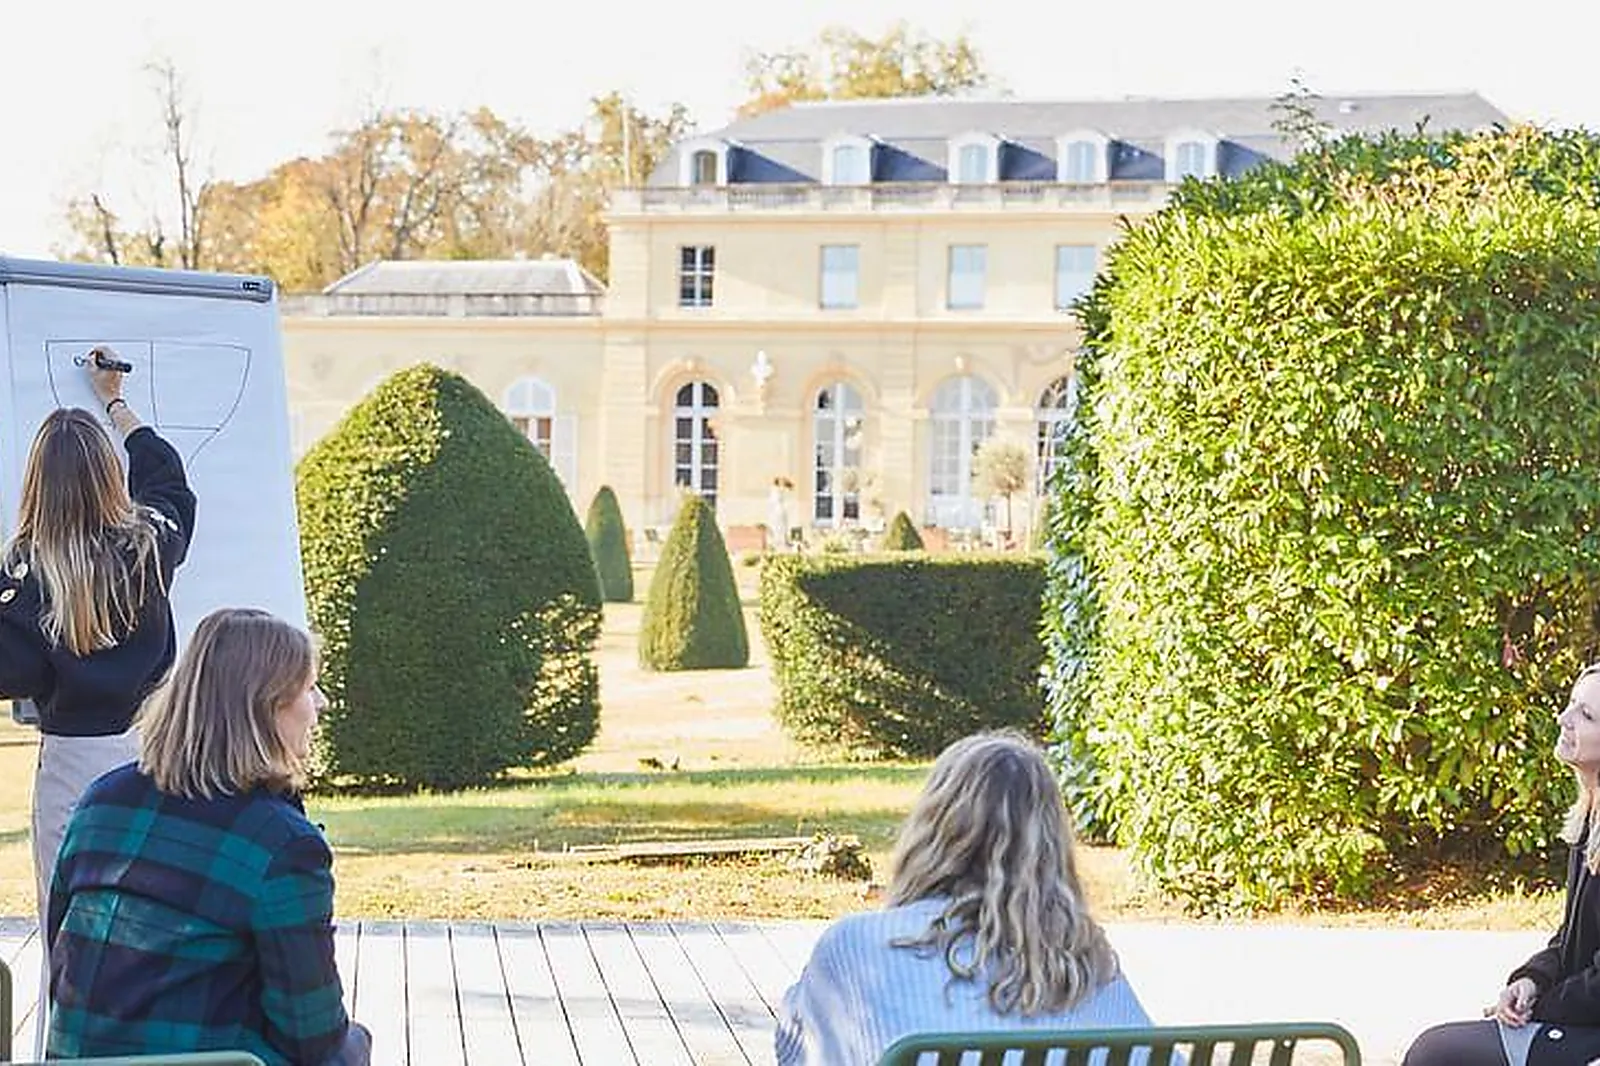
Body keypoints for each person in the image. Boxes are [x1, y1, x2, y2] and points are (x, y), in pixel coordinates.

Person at [46, 607, 371, 1065]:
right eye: (309, 687)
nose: (321, 705)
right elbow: (312, 1038)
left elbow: (60, 954)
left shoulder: (103, 799)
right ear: (268, 706)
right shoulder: (281, 843)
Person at [774, 730, 1155, 1065]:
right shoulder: (1085, 960)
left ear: (930, 831)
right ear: (1051, 844)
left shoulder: (855, 945)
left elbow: (798, 1052)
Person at [0, 349, 197, 923]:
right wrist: (115, 403)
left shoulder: (23, 573)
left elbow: (14, 674)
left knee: (74, 929)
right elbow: (167, 478)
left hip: (72, 769)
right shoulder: (149, 543)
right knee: (155, 926)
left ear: (35, 483)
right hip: (158, 756)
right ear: (110, 476)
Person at [1404, 664, 1600, 1066]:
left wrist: (1540, 1005)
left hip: (1590, 1034)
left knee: (1435, 1054)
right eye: (1571, 705)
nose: (1564, 719)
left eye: (1587, 715)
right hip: (1580, 1018)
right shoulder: (1590, 818)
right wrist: (1531, 979)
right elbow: (1574, 939)